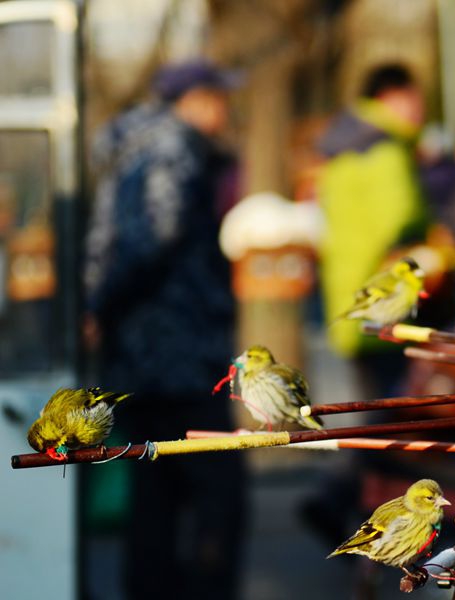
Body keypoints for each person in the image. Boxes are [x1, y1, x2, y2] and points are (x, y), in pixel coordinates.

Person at [84, 60, 246, 600]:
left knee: (153, 490)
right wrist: (106, 304)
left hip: (142, 353)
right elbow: (153, 235)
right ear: (194, 100)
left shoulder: (133, 147)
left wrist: (105, 311)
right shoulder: (174, 151)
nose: (226, 110)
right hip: (178, 354)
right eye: (220, 97)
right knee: (214, 494)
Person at [318, 62, 429, 391]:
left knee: (367, 413)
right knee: (392, 421)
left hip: (351, 295)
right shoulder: (384, 150)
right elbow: (402, 220)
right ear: (390, 96)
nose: (420, 108)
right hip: (387, 300)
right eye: (414, 97)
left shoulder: (345, 147)